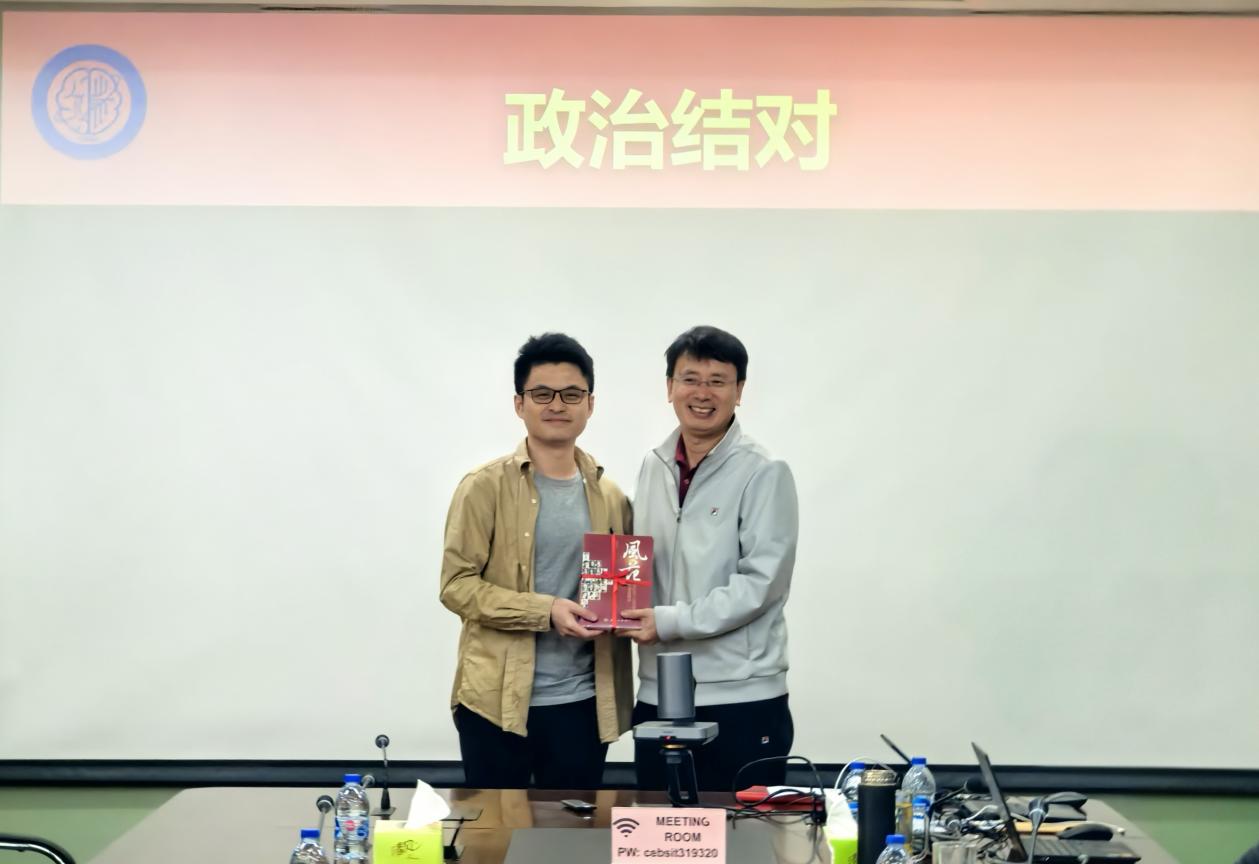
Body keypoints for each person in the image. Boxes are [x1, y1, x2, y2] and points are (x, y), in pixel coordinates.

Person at [440, 333, 632, 789]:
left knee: (572, 831)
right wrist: (544, 611)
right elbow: (456, 586)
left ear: (590, 404)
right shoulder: (483, 487)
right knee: (497, 832)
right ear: (519, 403)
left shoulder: (611, 496)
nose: (557, 405)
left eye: (572, 394)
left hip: (583, 703)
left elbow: (617, 591)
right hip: (495, 704)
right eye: (542, 394)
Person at [623, 325, 799, 793]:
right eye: (690, 379)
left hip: (741, 697)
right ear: (669, 387)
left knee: (745, 833)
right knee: (658, 831)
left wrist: (668, 621)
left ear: (739, 391)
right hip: (658, 692)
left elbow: (761, 585)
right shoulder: (653, 465)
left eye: (717, 381)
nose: (702, 393)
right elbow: (638, 560)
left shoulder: (764, 471)